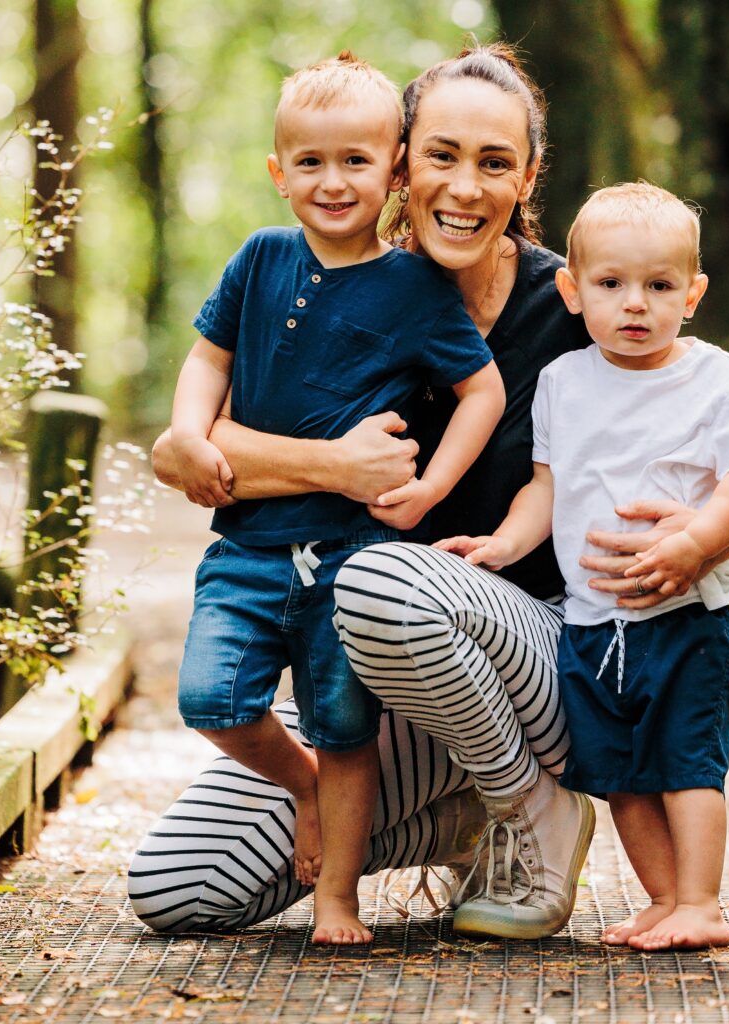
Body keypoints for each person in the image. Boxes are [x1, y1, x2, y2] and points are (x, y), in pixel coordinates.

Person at [130, 43, 729, 942]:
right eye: (441, 154)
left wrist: (701, 535)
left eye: (495, 162)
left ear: (528, 176)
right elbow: (188, 448)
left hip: (543, 660)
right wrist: (333, 467)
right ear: (401, 159)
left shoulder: (584, 304)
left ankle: (532, 808)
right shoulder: (338, 283)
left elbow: (718, 428)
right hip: (365, 682)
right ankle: (464, 823)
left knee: (382, 580)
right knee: (180, 890)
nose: (465, 187)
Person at [167, 52, 504, 945]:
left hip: (348, 557)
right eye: (309, 162)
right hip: (245, 547)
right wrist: (191, 436)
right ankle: (298, 781)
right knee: (211, 699)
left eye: (356, 160)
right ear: (279, 174)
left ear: (394, 168)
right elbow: (209, 358)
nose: (332, 180)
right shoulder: (260, 258)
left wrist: (431, 484)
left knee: (347, 728)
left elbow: (484, 393)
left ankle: (337, 901)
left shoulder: (417, 288)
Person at [433, 182, 729, 947]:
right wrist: (503, 544)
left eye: (659, 286)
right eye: (611, 284)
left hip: (683, 619)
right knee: (620, 773)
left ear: (692, 294)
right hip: (591, 624)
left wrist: (697, 544)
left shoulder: (718, 381)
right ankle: (663, 899)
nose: (635, 305)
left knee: (687, 766)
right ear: (571, 289)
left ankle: (702, 901)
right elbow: (548, 487)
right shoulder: (564, 383)